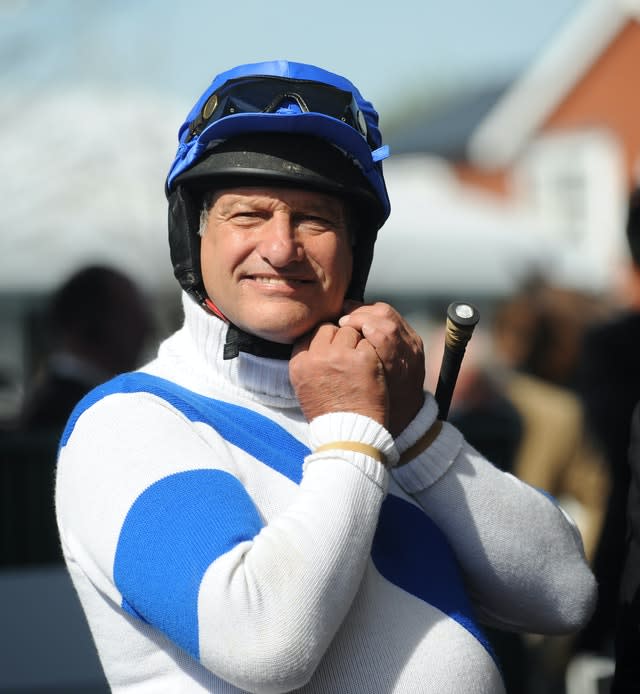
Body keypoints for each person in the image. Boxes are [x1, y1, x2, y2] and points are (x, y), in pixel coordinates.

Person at [55, 60, 597, 693]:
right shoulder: (124, 421)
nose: (282, 248)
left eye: (315, 219)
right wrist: (353, 432)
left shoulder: (373, 412)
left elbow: (562, 597)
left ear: (355, 251)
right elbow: (264, 644)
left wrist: (415, 428)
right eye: (248, 214)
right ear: (191, 235)